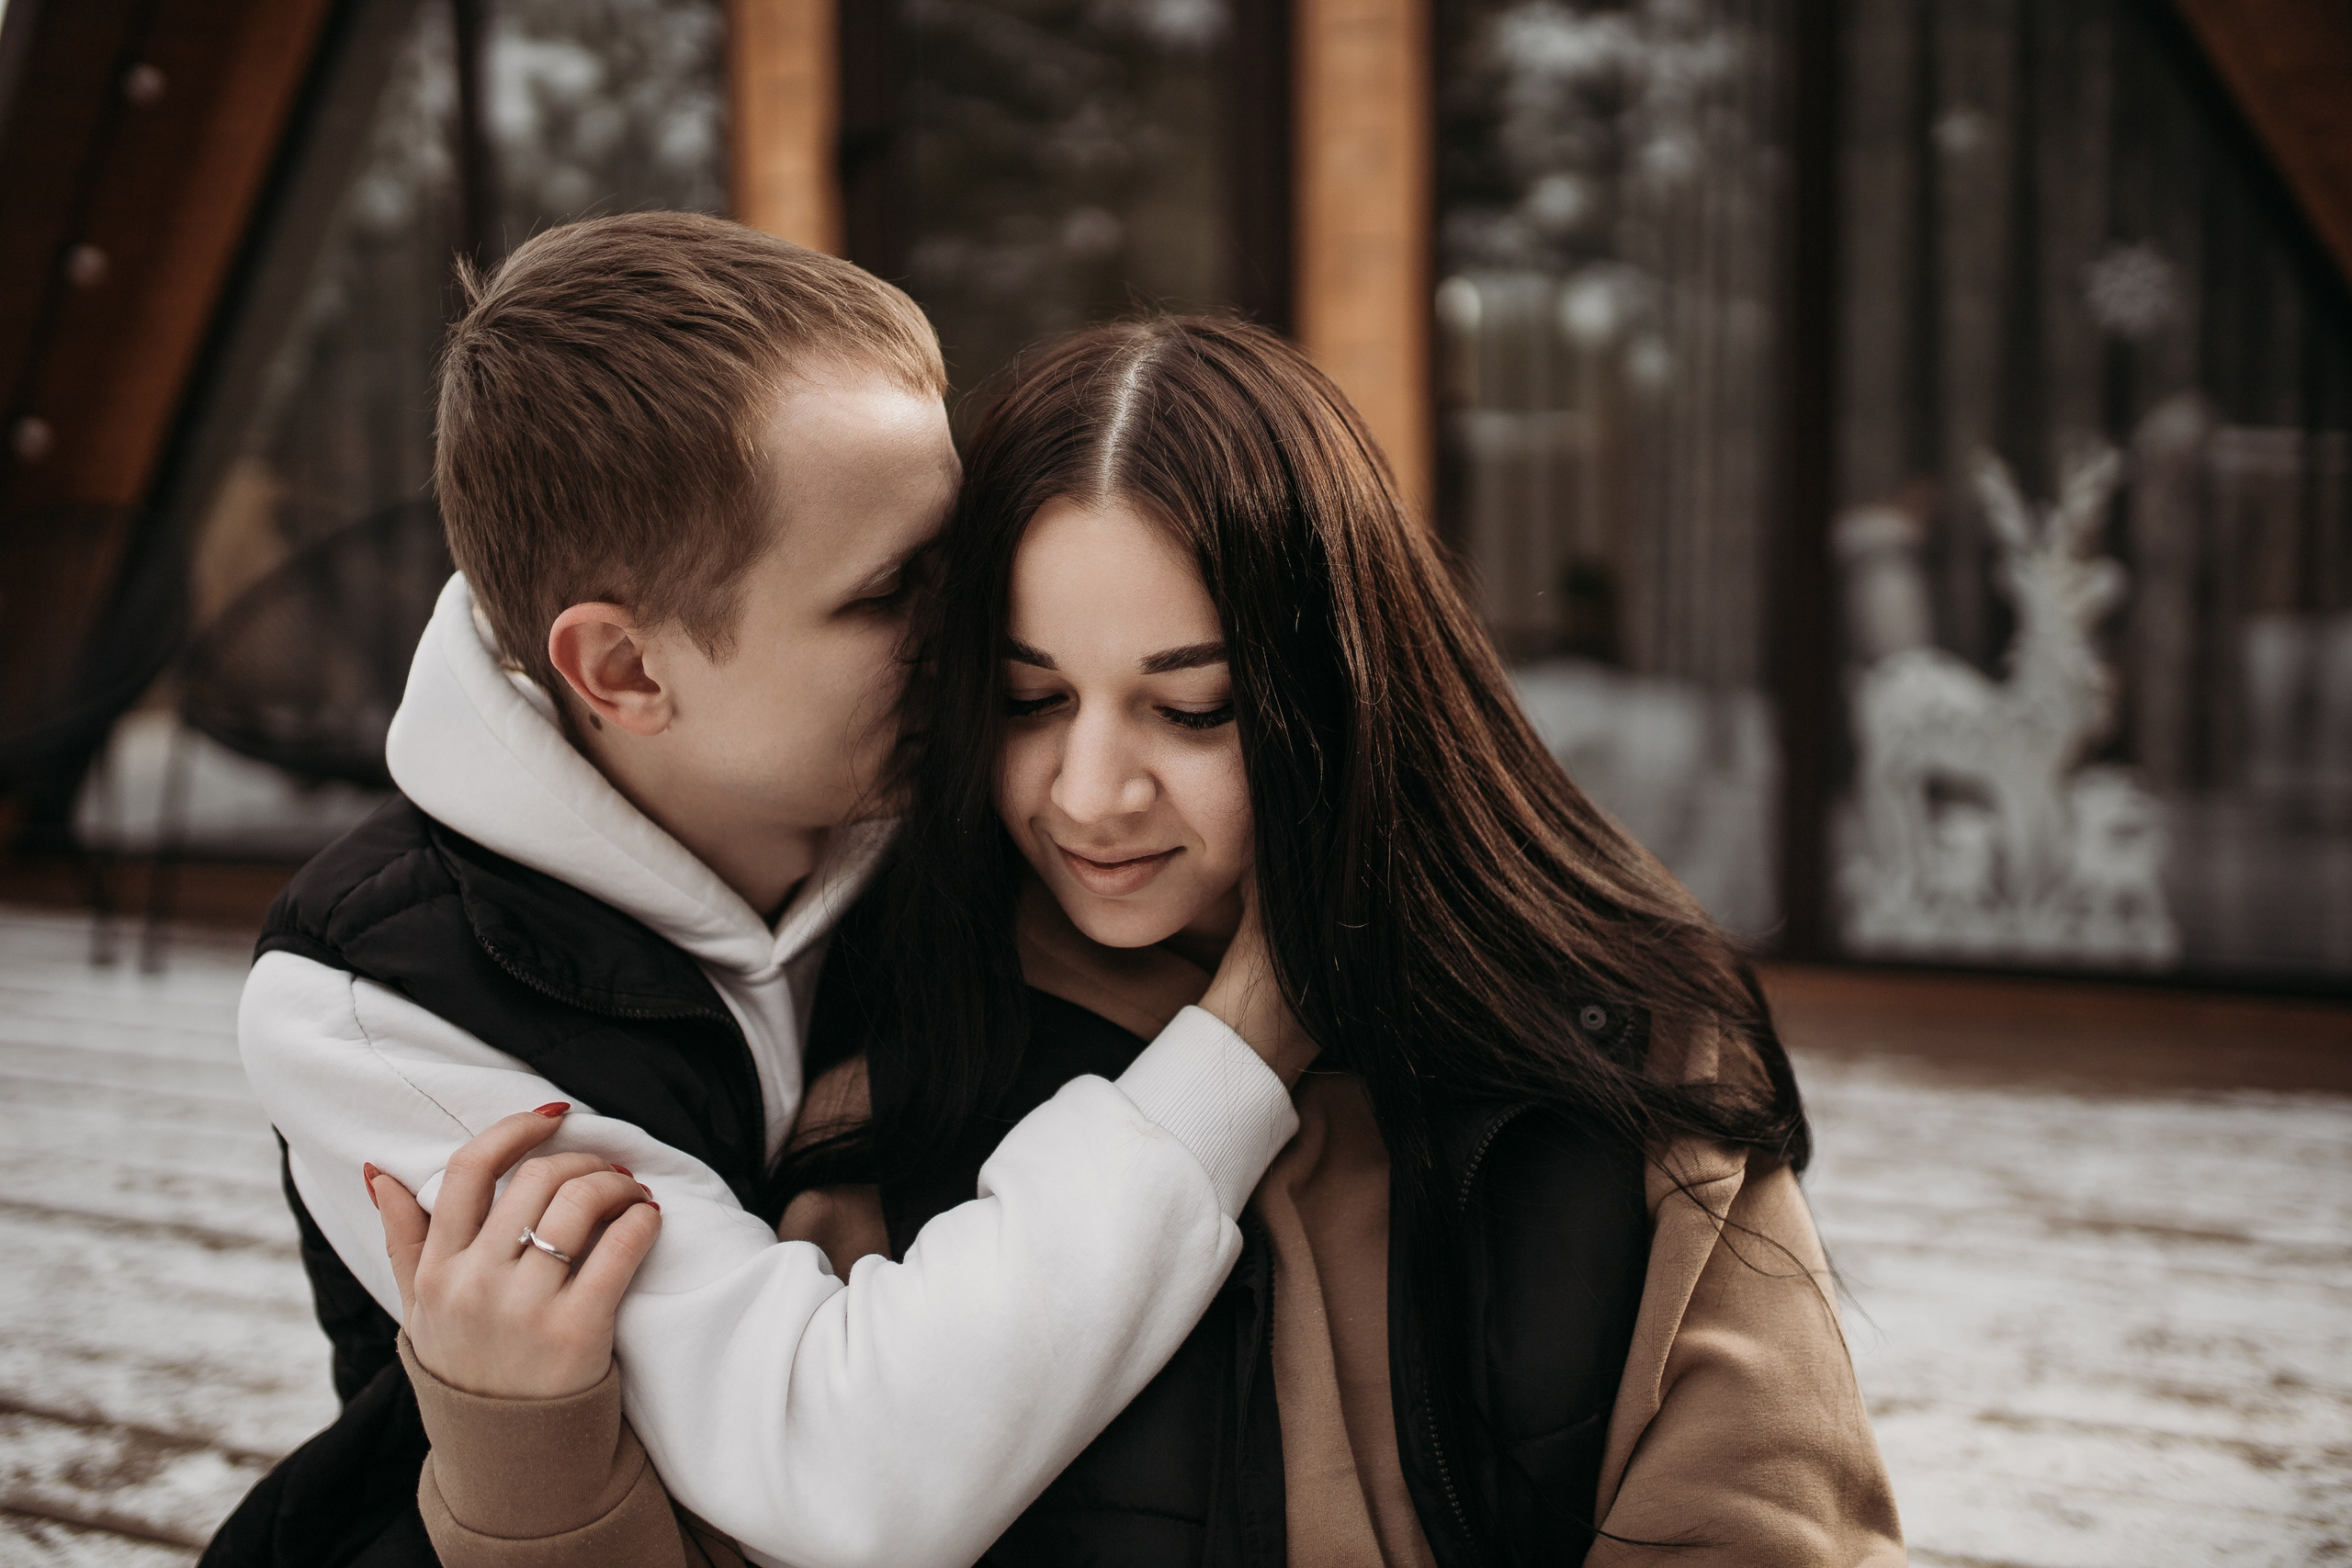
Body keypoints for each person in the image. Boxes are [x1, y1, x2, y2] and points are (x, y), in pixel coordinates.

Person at [375, 316, 1907, 1565]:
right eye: (1030, 700)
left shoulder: (1624, 1051)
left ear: (1339, 693)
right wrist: (525, 1448)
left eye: (1193, 708)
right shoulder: (899, 1063)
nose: (1093, 793)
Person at [207, 220, 1313, 1568]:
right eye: (891, 592)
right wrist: (1244, 1040)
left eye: (958, 551)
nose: (974, 624)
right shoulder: (378, 1004)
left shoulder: (948, 787)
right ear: (625, 672)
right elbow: (843, 1472)